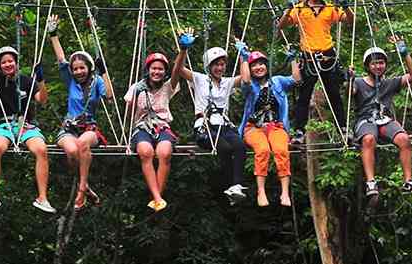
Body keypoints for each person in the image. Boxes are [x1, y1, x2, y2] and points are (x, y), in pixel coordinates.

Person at [0, 15, 56, 213]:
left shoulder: (26, 81)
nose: (7, 65)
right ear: (0, 65)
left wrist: (41, 80)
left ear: (16, 62)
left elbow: (42, 100)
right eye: (3, 62)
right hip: (3, 126)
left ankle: (42, 197)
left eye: (10, 61)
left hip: (26, 126)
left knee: (41, 150)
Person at [277, 0, 354, 143]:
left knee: (334, 94)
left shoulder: (330, 8)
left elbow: (351, 21)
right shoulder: (299, 8)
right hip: (309, 57)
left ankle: (343, 128)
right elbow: (281, 25)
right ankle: (299, 131)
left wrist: (346, 5)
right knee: (304, 96)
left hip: (327, 55)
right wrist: (289, 7)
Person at [173, 32, 248, 205]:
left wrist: (244, 56)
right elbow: (177, 70)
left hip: (223, 125)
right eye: (216, 65)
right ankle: (230, 185)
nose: (220, 68)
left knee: (239, 146)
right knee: (225, 147)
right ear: (209, 66)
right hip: (204, 126)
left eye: (222, 65)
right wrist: (183, 50)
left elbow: (245, 79)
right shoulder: (199, 79)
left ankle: (236, 186)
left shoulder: (227, 82)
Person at [50, 18, 115, 211]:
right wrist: (53, 35)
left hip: (89, 127)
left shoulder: (96, 82)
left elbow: (110, 96)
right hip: (69, 127)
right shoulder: (70, 82)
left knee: (82, 144)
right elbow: (61, 59)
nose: (78, 71)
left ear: (89, 68)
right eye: (75, 68)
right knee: (71, 151)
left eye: (82, 68)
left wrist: (104, 72)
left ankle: (81, 189)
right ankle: (85, 186)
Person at [351, 36, 412, 200]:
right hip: (365, 120)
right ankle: (370, 182)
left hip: (385, 120)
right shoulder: (359, 82)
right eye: (374, 63)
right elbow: (350, 92)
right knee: (368, 139)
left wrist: (405, 54)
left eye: (381, 63)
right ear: (367, 66)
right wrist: (349, 79)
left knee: (404, 139)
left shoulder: (390, 83)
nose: (378, 66)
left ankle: (409, 181)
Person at [238, 45, 301, 207]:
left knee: (281, 150)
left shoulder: (278, 82)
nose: (259, 67)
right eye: (254, 65)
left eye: (261, 64)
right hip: (253, 128)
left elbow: (296, 80)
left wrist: (293, 59)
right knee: (263, 150)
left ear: (266, 66)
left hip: (276, 126)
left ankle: (285, 193)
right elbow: (244, 80)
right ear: (251, 69)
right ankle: (261, 191)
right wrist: (244, 59)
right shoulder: (251, 86)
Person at [125, 51, 182, 212]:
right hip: (142, 126)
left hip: (161, 125)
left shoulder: (167, 87)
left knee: (164, 152)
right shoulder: (137, 87)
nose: (157, 72)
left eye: (161, 69)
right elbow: (128, 116)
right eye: (154, 68)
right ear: (148, 70)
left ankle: (156, 197)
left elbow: (177, 70)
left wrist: (183, 50)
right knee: (145, 151)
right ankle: (158, 198)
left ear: (165, 72)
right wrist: (136, 95)